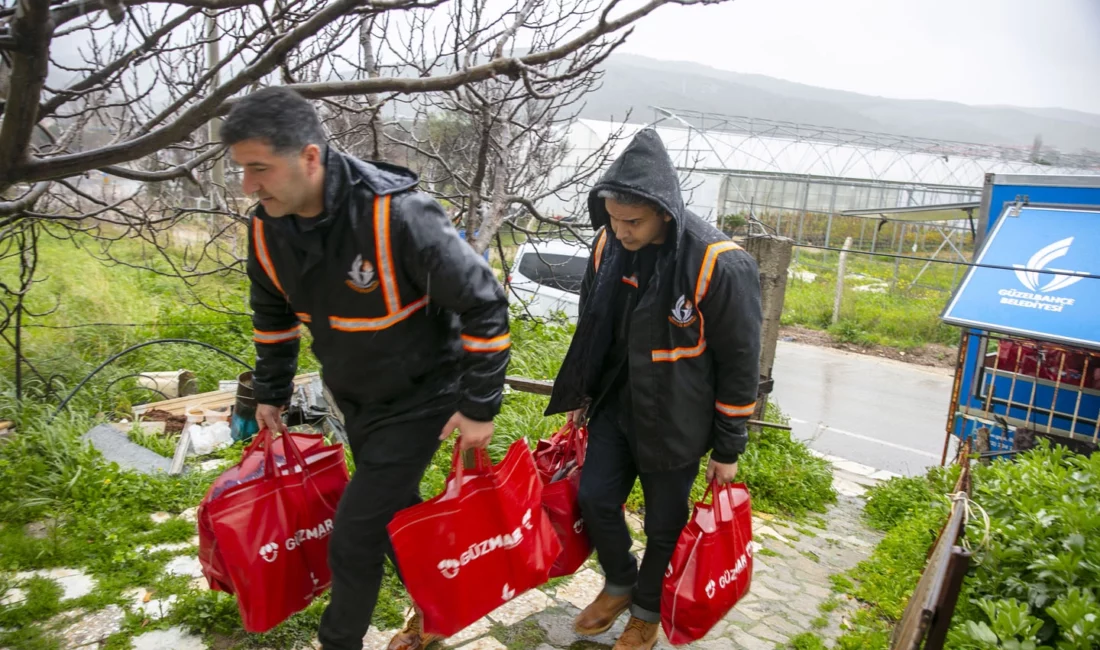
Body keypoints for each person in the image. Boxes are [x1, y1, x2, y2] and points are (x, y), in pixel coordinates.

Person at [221, 87, 511, 650]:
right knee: (396, 513)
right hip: (355, 399)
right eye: (241, 169)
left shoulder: (396, 214)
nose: (247, 186)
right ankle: (437, 608)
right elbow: (273, 317)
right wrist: (271, 392)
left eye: (259, 168)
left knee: (354, 535)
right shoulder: (266, 230)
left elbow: (484, 302)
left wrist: (479, 406)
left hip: (424, 396)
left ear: (309, 157)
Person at [545, 129, 762, 650]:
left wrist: (729, 447)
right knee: (595, 500)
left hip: (677, 420)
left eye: (633, 221)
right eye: (613, 219)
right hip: (618, 406)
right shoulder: (607, 246)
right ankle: (620, 580)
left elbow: (739, 363)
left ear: (665, 211)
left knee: (665, 523)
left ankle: (646, 611)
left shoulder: (719, 263)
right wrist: (581, 396)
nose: (621, 231)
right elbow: (592, 328)